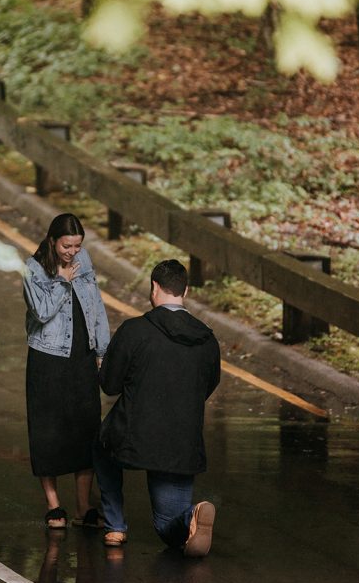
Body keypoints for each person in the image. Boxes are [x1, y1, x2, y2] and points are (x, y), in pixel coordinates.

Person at [93, 259, 221, 555]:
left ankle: (115, 526)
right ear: (185, 291)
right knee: (168, 526)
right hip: (182, 443)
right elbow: (208, 385)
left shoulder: (134, 331)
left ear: (154, 288)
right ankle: (191, 515)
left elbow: (110, 385)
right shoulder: (207, 339)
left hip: (133, 436)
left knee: (101, 447)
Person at [24, 213, 111, 530]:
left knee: (86, 430)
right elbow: (43, 312)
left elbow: (96, 305)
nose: (72, 252)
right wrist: (62, 279)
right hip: (47, 358)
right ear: (52, 241)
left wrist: (103, 350)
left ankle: (84, 506)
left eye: (77, 246)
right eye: (66, 246)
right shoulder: (33, 269)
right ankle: (53, 505)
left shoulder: (84, 260)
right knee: (47, 431)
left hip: (82, 355)